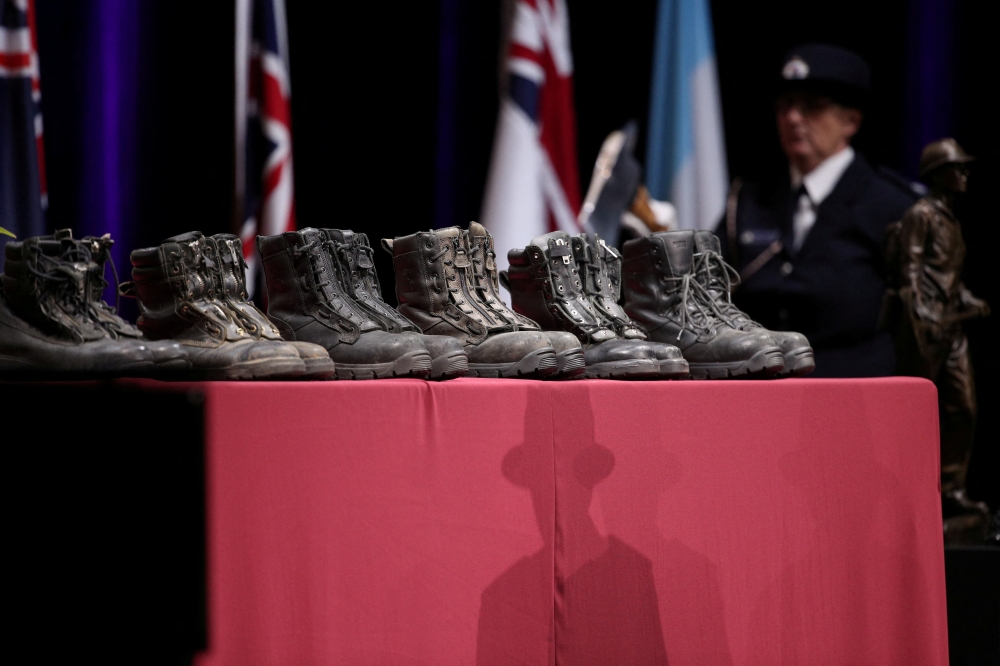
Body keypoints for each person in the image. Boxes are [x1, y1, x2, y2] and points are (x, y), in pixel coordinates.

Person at [717, 44, 917, 377]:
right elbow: (713, 285)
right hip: (760, 392)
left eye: (812, 107)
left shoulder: (893, 206)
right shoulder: (749, 198)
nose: (793, 118)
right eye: (785, 105)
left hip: (856, 393)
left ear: (850, 120)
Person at [884, 138, 991, 542]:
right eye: (957, 168)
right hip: (924, 329)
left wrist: (967, 300)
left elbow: (949, 275)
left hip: (952, 327)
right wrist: (920, 311)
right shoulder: (921, 215)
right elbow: (910, 269)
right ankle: (913, 492)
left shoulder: (952, 220)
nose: (963, 174)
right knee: (917, 413)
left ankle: (952, 489)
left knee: (963, 405)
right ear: (937, 175)